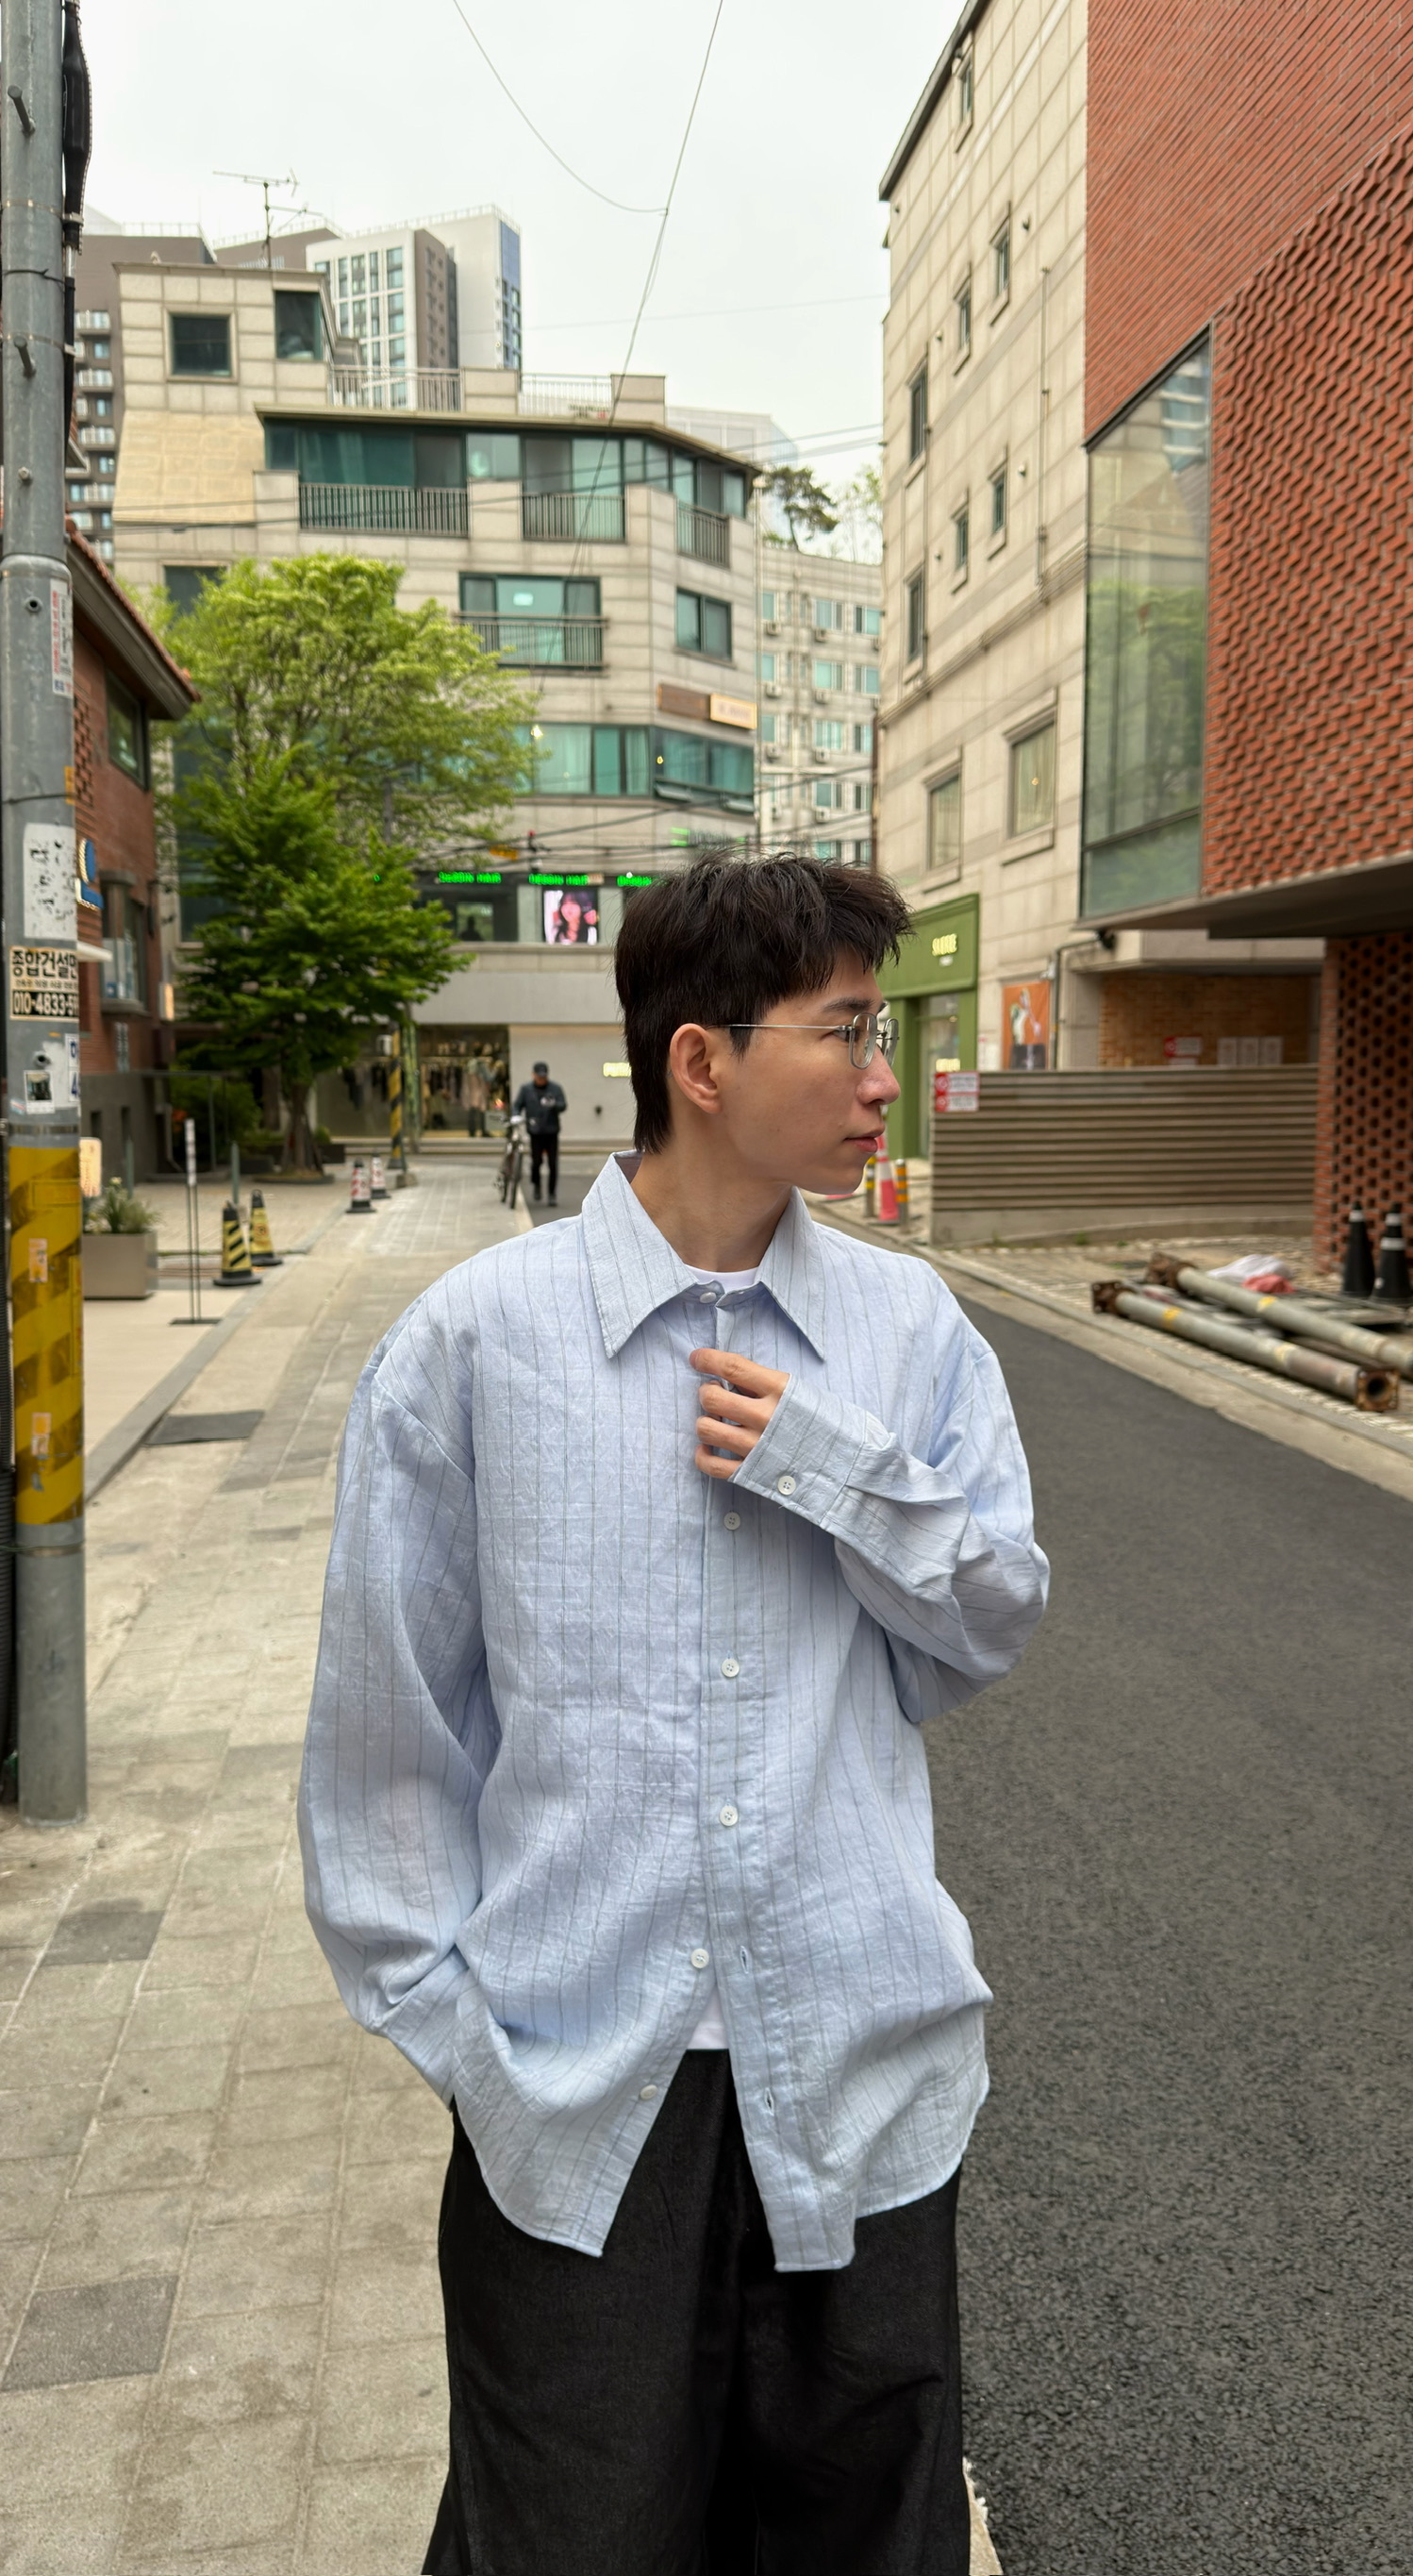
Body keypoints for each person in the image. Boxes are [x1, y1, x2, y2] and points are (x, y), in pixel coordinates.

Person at [300, 856, 1048, 2576]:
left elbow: (988, 1626)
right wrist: (467, 2043)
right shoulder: (473, 1346)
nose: (883, 1077)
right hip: (576, 2084)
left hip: (861, 2057)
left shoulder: (908, 1331)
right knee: (571, 2530)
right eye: (845, 1032)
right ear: (699, 1061)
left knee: (864, 2526)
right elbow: (387, 1740)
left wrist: (836, 1470)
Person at [512, 1058, 566, 1203]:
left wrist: (554, 1104)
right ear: (533, 1075)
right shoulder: (526, 1089)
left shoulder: (555, 1088)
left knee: (553, 1164)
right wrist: (516, 1116)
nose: (542, 1079)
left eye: (544, 1076)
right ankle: (536, 1184)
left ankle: (552, 1194)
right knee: (536, 1162)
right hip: (535, 1131)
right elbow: (517, 1105)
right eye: (539, 1076)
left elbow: (563, 1105)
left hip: (551, 1130)